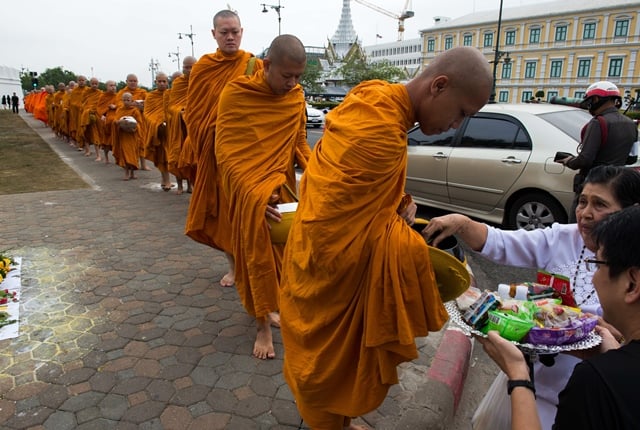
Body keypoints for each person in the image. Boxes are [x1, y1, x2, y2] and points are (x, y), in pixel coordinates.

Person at [279, 46, 493, 429]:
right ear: (438, 86)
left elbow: (360, 199)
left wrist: (398, 203)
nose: (456, 125)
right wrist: (408, 243)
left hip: (328, 262)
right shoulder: (380, 128)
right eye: (461, 113)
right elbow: (334, 231)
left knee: (340, 372)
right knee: (327, 375)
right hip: (329, 274)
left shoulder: (375, 97)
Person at [422, 165, 640, 429]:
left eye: (600, 205)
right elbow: (503, 243)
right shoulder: (563, 238)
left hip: (580, 387)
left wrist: (607, 342)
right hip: (531, 376)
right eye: (583, 201)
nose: (586, 214)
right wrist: (463, 223)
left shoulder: (605, 379)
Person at [477, 204, 640, 430]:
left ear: (632, 283)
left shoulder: (595, 382)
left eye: (598, 265)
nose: (593, 279)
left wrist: (519, 376)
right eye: (583, 201)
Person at [216, 34, 312, 360]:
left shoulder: (295, 97)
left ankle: (273, 307)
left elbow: (300, 144)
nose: (293, 83)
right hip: (250, 193)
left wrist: (322, 176)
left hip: (281, 189)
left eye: (299, 76)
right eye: (287, 76)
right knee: (256, 257)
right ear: (267, 65)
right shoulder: (237, 94)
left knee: (284, 258)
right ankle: (262, 327)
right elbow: (226, 153)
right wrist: (256, 195)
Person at [183, 9, 263, 288]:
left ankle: (256, 268)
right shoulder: (204, 68)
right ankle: (234, 267)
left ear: (242, 32)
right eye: (224, 32)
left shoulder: (255, 65)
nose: (230, 37)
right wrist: (209, 135)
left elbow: (265, 108)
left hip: (247, 154)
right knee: (226, 214)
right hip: (216, 153)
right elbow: (192, 112)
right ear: (214, 34)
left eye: (235, 32)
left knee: (252, 213)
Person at [557, 81, 637, 222]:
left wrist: (568, 161)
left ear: (596, 99)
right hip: (616, 185)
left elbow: (585, 159)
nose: (589, 106)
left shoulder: (598, 122)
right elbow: (632, 157)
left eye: (590, 101)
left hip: (593, 182)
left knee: (578, 225)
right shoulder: (631, 123)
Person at [166, 55, 196, 195]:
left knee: (191, 158)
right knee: (177, 155)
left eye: (192, 67)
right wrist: (180, 111)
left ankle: (191, 185)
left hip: (193, 126)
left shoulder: (202, 81)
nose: (189, 70)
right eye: (186, 67)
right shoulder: (178, 84)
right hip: (178, 126)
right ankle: (179, 185)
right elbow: (172, 106)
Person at [142, 72, 172, 191]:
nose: (162, 84)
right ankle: (165, 179)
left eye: (164, 81)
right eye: (159, 81)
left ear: (168, 83)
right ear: (155, 82)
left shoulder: (171, 95)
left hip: (169, 131)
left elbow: (173, 110)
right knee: (160, 157)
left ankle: (168, 180)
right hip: (157, 132)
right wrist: (156, 123)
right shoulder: (151, 96)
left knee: (169, 157)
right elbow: (147, 113)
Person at [116, 74, 149, 170]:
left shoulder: (142, 92)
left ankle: (143, 164)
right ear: (126, 81)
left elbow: (148, 103)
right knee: (129, 145)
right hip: (127, 121)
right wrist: (130, 104)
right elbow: (119, 104)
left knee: (141, 142)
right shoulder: (122, 93)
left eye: (135, 81)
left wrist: (142, 106)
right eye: (130, 81)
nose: (133, 83)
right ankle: (130, 163)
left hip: (141, 120)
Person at [112, 92, 144, 181]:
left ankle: (132, 173)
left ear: (132, 101)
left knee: (133, 154)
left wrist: (132, 125)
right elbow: (115, 120)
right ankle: (126, 173)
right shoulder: (119, 110)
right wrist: (119, 122)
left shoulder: (135, 111)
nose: (126, 102)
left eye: (128, 100)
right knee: (125, 155)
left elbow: (139, 123)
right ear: (122, 101)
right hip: (123, 136)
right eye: (124, 100)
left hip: (133, 136)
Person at [95, 80, 119, 164]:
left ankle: (118, 159)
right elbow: (99, 108)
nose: (113, 87)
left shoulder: (118, 96)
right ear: (106, 87)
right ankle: (106, 158)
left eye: (114, 85)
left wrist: (115, 106)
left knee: (117, 142)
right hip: (106, 121)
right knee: (106, 143)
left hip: (115, 121)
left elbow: (121, 106)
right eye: (111, 85)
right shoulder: (103, 97)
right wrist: (102, 115)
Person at [79, 77, 103, 158]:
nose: (94, 85)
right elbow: (82, 103)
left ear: (98, 84)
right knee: (86, 133)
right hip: (86, 115)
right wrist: (87, 110)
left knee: (96, 134)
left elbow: (101, 105)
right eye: (93, 84)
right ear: (90, 84)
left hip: (95, 116)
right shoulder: (86, 92)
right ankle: (88, 150)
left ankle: (98, 155)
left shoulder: (100, 93)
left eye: (96, 84)